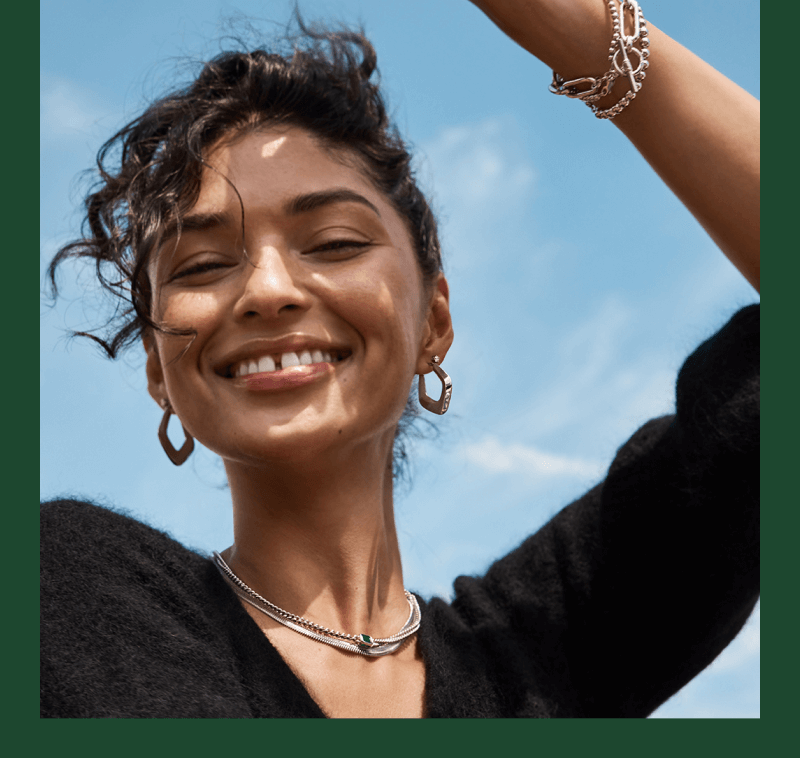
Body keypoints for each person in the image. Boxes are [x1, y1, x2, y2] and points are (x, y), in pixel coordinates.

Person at [41, 0, 759, 718]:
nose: (266, 290)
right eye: (200, 265)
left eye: (334, 243)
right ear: (159, 372)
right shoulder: (66, 590)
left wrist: (578, 28)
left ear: (433, 324)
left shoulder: (549, 651)